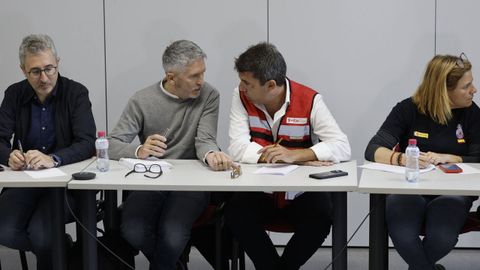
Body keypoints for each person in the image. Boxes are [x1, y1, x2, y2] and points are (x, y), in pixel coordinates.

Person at [225, 42, 351, 270]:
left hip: (301, 192)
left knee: (322, 217)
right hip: (258, 189)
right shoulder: (240, 96)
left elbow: (342, 146)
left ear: (271, 85)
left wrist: (296, 155)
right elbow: (236, 147)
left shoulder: (310, 99)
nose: (242, 88)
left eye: (248, 83)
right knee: (235, 213)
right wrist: (276, 156)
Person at [108, 39, 233, 270]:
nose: (201, 81)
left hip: (191, 182)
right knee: (132, 229)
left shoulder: (209, 95)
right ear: (171, 77)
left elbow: (205, 140)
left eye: (203, 73)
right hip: (152, 178)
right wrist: (139, 150)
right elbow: (112, 143)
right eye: (194, 76)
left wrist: (211, 154)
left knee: (173, 232)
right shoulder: (142, 100)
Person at [364, 53, 480, 270]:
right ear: (443, 90)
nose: (474, 90)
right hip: (409, 190)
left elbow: (478, 157)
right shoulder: (407, 109)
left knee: (442, 237)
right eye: (466, 86)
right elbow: (372, 149)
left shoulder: (471, 114)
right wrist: (403, 158)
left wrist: (452, 158)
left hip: (453, 193)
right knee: (405, 235)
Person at [0, 34, 96, 270]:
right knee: (4, 230)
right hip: (25, 181)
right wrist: (8, 155)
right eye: (35, 71)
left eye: (49, 69)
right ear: (23, 70)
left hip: (63, 185)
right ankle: (62, 246)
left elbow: (86, 142)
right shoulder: (14, 94)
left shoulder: (76, 93)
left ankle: (54, 250)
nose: (44, 78)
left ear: (58, 63)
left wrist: (54, 159)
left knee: (42, 236)